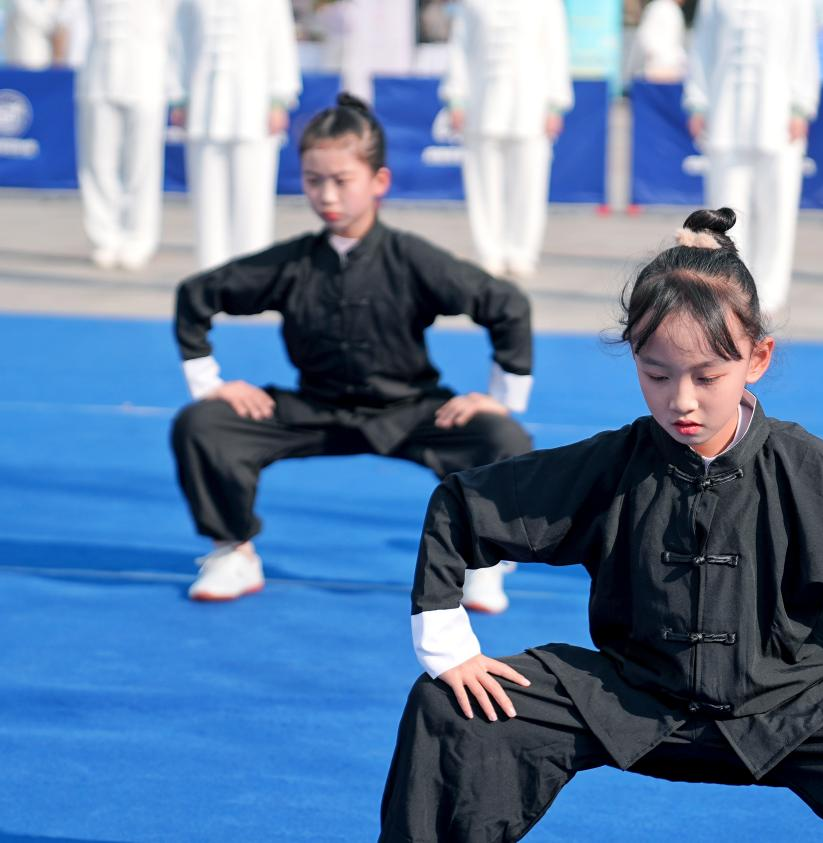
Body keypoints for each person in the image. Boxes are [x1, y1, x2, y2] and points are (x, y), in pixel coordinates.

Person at [378, 208, 823, 842]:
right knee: (450, 708)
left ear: (757, 358)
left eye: (708, 376)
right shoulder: (612, 464)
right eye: (656, 374)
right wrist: (446, 643)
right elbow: (461, 504)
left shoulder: (802, 467)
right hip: (627, 697)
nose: (681, 400)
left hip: (795, 708)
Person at [169, 93, 534, 614]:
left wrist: (502, 397)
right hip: (314, 410)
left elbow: (507, 305)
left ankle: (484, 561)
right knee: (204, 425)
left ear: (378, 181)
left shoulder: (413, 259)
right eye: (313, 180)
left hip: (410, 411)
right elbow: (196, 296)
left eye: (341, 181)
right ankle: (234, 550)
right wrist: (210, 384)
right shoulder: (291, 263)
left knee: (502, 438)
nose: (327, 195)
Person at [685, 0, 819, 317]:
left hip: (779, 118)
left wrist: (801, 106)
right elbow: (702, 48)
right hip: (725, 117)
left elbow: (804, 50)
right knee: (725, 212)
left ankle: (770, 293)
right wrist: (697, 102)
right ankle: (730, 287)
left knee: (777, 211)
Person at [440, 0, 572, 281]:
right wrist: (456, 97)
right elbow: (460, 48)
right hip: (481, 106)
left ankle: (522, 251)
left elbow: (556, 50)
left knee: (529, 185)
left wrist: (556, 104)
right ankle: (489, 251)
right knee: (482, 184)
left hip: (531, 109)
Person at [169, 0, 302, 271]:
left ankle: (251, 272)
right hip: (203, 107)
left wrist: (279, 99)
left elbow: (280, 42)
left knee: (252, 199)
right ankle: (211, 271)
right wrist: (178, 96)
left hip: (253, 107)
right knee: (207, 200)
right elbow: (178, 43)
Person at [72, 0, 173, 271]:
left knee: (142, 163)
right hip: (98, 72)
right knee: (97, 161)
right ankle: (103, 237)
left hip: (146, 73)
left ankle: (139, 237)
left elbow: (172, 21)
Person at [630, 0, 686, 83]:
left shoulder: (673, 9)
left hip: (670, 70)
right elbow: (645, 37)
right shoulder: (658, 7)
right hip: (655, 70)